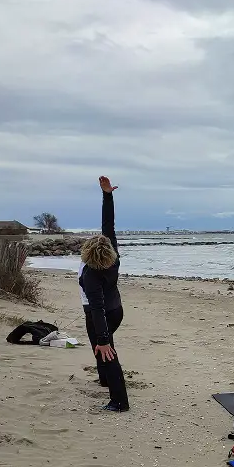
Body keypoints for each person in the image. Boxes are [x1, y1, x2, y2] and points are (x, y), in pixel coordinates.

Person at [79, 176, 128, 412]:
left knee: (106, 351)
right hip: (116, 311)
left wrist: (104, 339)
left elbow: (97, 308)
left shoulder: (91, 276)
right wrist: (107, 196)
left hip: (101, 314)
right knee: (100, 348)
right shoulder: (113, 258)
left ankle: (119, 401)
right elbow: (109, 225)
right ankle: (105, 380)